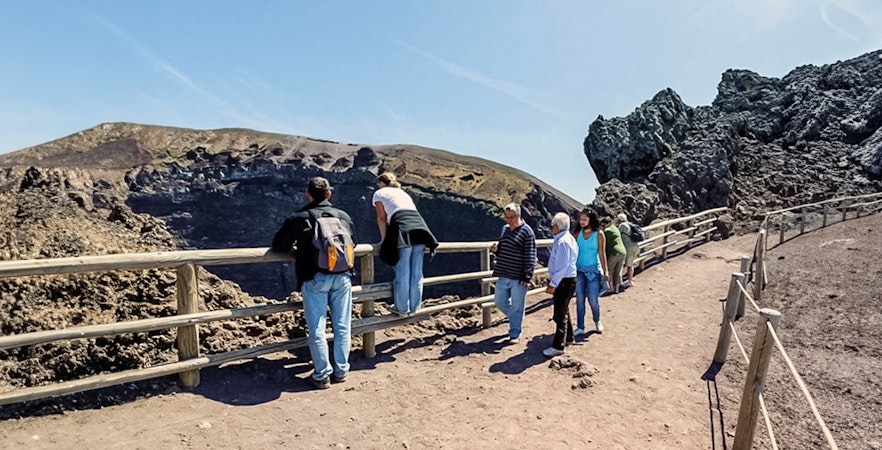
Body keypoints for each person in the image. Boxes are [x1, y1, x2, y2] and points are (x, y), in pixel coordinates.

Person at [271, 177, 355, 390]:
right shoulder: (343, 217)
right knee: (343, 325)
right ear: (329, 194)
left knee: (317, 328)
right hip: (343, 276)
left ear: (308, 194)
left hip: (315, 277)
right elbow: (354, 242)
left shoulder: (300, 218)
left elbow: (279, 246)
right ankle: (341, 371)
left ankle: (321, 375)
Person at [374, 172, 439, 316]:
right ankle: (415, 307)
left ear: (382, 183)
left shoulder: (379, 193)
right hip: (420, 228)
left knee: (403, 272)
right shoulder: (403, 193)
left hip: (403, 229)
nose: (378, 186)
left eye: (379, 183)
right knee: (416, 273)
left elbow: (381, 218)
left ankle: (402, 308)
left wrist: (384, 240)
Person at [491, 203, 537, 345]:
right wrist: (496, 250)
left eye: (512, 217)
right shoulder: (505, 229)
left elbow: (530, 254)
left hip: (518, 277)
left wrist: (527, 275)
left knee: (517, 305)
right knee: (499, 301)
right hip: (503, 272)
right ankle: (517, 318)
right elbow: (503, 247)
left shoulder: (527, 232)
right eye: (507, 217)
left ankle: (515, 333)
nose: (509, 220)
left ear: (519, 216)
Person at [542, 212, 578, 357]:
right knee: (564, 309)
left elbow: (562, 266)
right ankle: (569, 337)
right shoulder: (569, 239)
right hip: (568, 279)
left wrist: (553, 283)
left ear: (557, 226)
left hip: (564, 281)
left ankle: (559, 345)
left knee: (559, 313)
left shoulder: (562, 242)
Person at [573, 208, 609, 335]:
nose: (582, 221)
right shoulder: (577, 233)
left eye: (585, 219)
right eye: (580, 219)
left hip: (593, 270)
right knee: (580, 299)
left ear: (591, 219)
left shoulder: (599, 234)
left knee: (593, 299)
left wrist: (606, 271)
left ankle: (597, 320)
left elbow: (602, 253)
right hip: (579, 271)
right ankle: (580, 326)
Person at [601, 216, 627, 295]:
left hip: (614, 252)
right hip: (623, 251)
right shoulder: (615, 228)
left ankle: (610, 287)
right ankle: (617, 289)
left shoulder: (607, 231)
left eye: (603, 225)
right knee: (618, 270)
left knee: (609, 269)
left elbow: (605, 245)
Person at [616, 213, 639, 288]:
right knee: (630, 263)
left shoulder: (622, 226)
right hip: (635, 245)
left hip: (628, 247)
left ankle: (625, 281)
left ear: (619, 220)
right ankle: (630, 279)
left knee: (624, 263)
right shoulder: (629, 224)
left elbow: (617, 235)